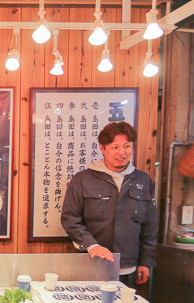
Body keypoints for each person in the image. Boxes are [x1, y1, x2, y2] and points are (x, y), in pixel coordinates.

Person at [60, 121, 158, 286]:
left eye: (127, 146)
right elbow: (70, 218)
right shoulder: (82, 180)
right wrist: (92, 245)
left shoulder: (144, 180)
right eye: (115, 147)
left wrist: (145, 261)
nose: (122, 152)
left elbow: (150, 226)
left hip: (128, 268)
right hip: (90, 264)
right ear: (102, 148)